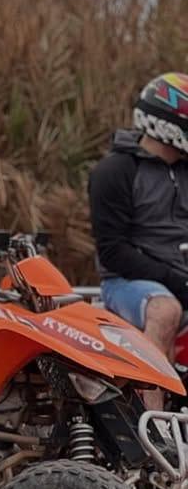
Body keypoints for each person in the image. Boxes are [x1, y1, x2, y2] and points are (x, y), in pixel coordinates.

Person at [88, 73, 188, 394]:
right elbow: (113, 252)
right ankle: (151, 417)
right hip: (128, 283)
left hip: (180, 277)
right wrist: (179, 282)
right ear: (168, 123)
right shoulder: (115, 171)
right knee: (166, 311)